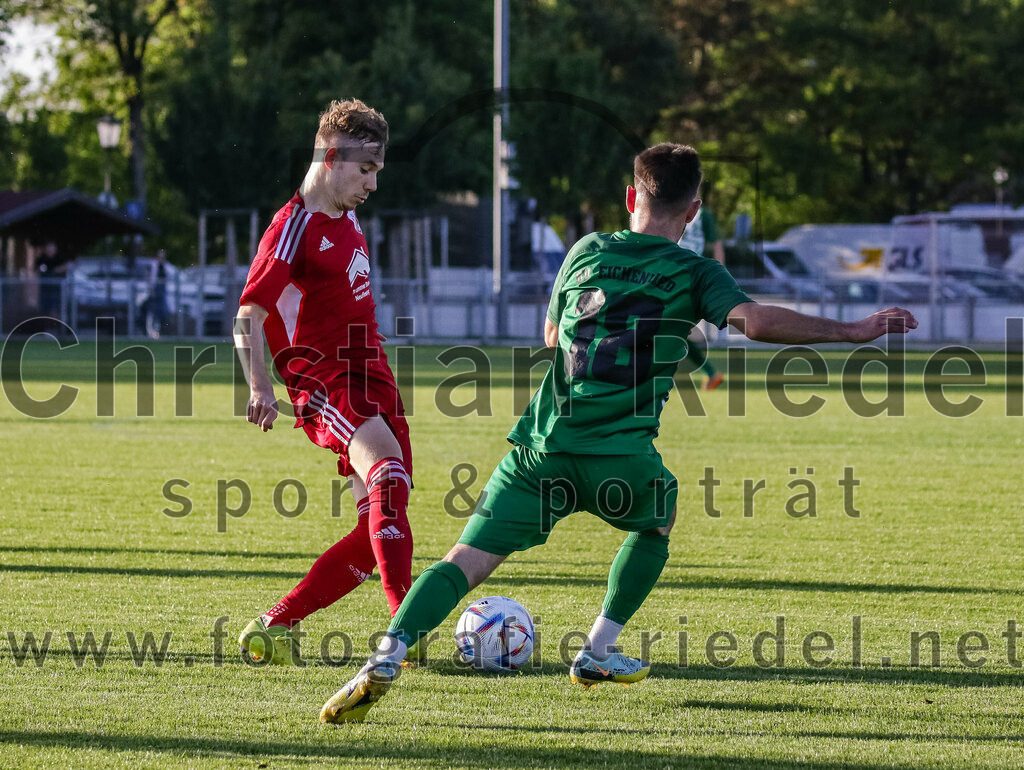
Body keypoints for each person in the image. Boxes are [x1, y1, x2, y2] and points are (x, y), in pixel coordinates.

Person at [319, 143, 917, 723]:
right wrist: (852, 330)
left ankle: (385, 656)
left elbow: (552, 338)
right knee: (659, 517)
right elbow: (755, 323)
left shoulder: (586, 250)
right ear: (693, 211)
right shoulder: (695, 270)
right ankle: (597, 650)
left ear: (632, 197)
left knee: (464, 560)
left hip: (541, 448)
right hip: (619, 455)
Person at [233, 98, 415, 666]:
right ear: (331, 157)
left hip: (372, 372)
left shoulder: (346, 213)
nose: (372, 185)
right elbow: (248, 315)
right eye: (366, 170)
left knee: (379, 521)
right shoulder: (291, 229)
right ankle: (406, 632)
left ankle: (275, 624)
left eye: (377, 172)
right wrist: (261, 388)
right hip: (325, 381)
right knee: (388, 476)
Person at [678, 195, 726, 390]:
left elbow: (716, 245)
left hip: (678, 276)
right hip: (686, 276)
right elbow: (717, 246)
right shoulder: (700, 213)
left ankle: (710, 372)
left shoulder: (670, 209)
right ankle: (710, 372)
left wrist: (720, 278)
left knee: (671, 331)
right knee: (674, 331)